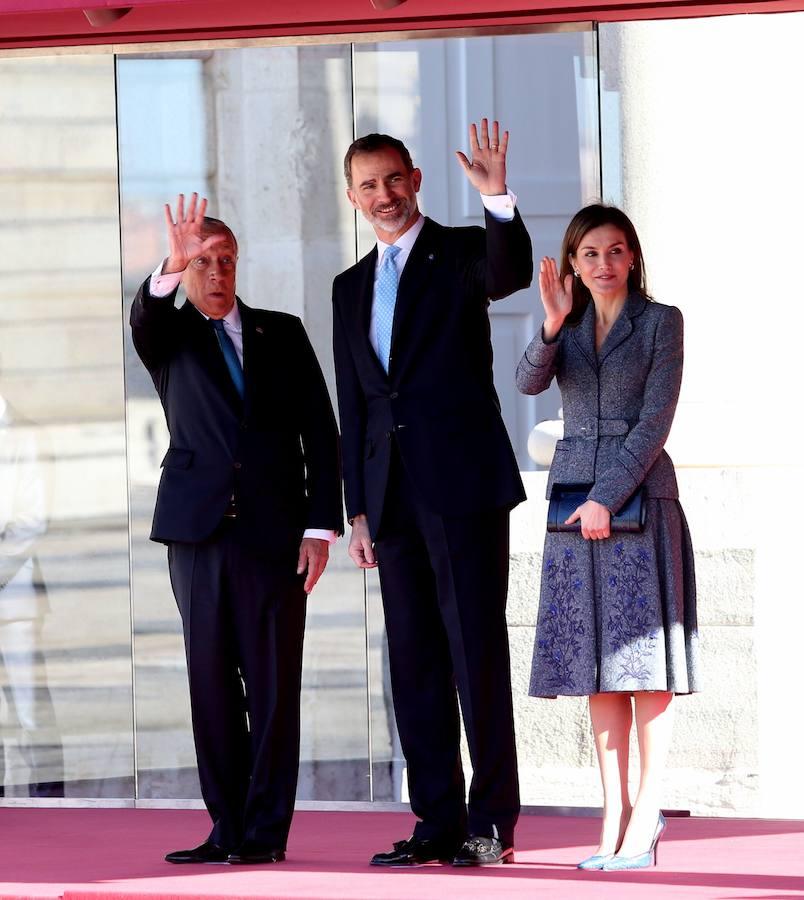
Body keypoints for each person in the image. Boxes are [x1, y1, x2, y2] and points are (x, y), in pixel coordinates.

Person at [332, 120, 532, 867]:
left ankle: (491, 822)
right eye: (369, 185)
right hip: (388, 497)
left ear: (415, 180)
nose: (384, 195)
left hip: (462, 485)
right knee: (414, 662)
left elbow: (509, 272)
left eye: (394, 179)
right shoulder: (348, 286)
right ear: (353, 197)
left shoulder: (461, 252)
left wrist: (497, 196)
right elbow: (355, 402)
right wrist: (355, 507)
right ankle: (436, 822)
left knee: (475, 652)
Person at [130, 194, 342, 865]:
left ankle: (264, 834)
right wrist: (171, 262)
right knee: (212, 684)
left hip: (275, 538)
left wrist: (320, 527)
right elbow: (145, 318)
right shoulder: (170, 336)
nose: (217, 272)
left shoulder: (284, 333)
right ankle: (225, 827)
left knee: (274, 688)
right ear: (186, 269)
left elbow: (322, 434)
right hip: (197, 536)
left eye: (225, 260)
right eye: (203, 262)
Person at [516, 204, 699, 871]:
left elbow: (655, 422)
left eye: (615, 251)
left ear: (633, 256)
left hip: (639, 502)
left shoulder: (661, 322)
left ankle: (646, 814)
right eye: (590, 253)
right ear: (572, 262)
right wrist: (550, 323)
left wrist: (606, 497)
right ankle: (612, 816)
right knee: (598, 664)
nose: (604, 264)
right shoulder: (565, 326)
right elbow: (527, 382)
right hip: (573, 505)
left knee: (642, 664)